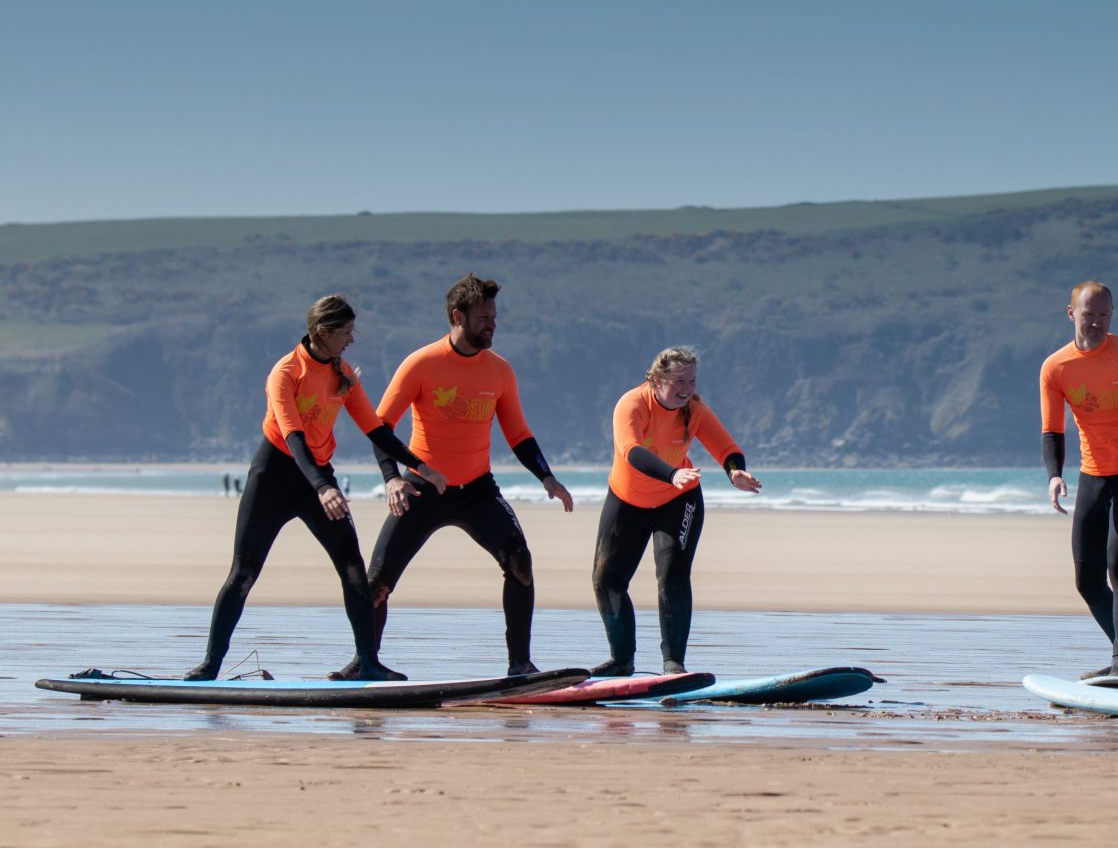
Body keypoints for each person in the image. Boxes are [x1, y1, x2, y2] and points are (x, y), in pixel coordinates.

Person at [186, 295, 446, 682]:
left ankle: (368, 663)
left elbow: (374, 429)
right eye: (344, 332)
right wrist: (324, 487)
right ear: (322, 332)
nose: (351, 340)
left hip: (317, 478)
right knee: (243, 573)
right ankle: (210, 666)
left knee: (354, 570)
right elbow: (293, 437)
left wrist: (419, 466)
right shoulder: (285, 372)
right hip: (274, 476)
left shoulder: (343, 375)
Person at [329, 273, 573, 680]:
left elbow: (519, 434)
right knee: (377, 585)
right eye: (483, 317)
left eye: (494, 316)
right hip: (423, 488)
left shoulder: (499, 371)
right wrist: (392, 478)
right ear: (457, 316)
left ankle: (520, 665)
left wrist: (546, 478)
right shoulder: (422, 363)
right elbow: (380, 426)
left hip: (477, 491)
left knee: (520, 563)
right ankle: (364, 664)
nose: (492, 324)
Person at [591, 346, 762, 677]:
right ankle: (621, 660)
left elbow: (726, 447)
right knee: (606, 579)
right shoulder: (633, 404)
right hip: (628, 499)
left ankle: (673, 664)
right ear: (656, 380)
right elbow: (631, 451)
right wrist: (670, 473)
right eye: (679, 381)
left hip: (678, 501)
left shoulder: (693, 410)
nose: (687, 388)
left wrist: (734, 472)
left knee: (671, 574)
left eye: (692, 381)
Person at [1040, 281, 1118, 680]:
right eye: (1089, 314)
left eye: (1104, 315)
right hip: (1092, 475)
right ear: (1071, 313)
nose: (1096, 323)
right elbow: (1052, 430)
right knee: (1086, 578)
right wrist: (1055, 476)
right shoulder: (1056, 367)